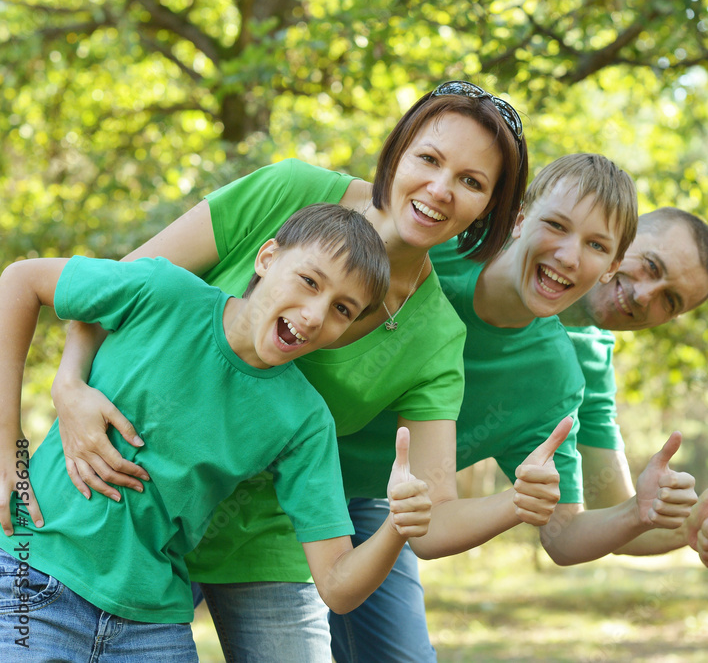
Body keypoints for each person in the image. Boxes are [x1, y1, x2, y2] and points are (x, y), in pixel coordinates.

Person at [45, 80, 568, 661]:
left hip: (270, 535)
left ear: (490, 210)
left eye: (472, 182)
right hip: (137, 495)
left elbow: (433, 515)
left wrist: (514, 503)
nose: (441, 190)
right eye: (429, 159)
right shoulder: (290, 191)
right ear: (398, 149)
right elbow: (111, 287)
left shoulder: (438, 337)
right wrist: (69, 387)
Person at [0, 204, 433, 661]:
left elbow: (338, 587)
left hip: (150, 622)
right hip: (32, 576)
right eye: (310, 281)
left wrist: (395, 527)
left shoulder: (305, 421)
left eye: (341, 309)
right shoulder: (164, 292)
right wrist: (7, 441)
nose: (313, 315)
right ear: (267, 258)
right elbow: (20, 281)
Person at [330, 154, 708, 661]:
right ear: (518, 216)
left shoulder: (562, 377)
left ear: (609, 262)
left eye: (596, 245)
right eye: (557, 226)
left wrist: (650, 516)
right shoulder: (436, 242)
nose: (644, 295)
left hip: (379, 502)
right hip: (276, 452)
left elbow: (565, 528)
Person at [558, 206, 708, 564]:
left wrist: (690, 524)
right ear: (623, 234)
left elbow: (614, 516)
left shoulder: (588, 369)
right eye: (652, 266)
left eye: (669, 301)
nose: (644, 295)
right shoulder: (477, 241)